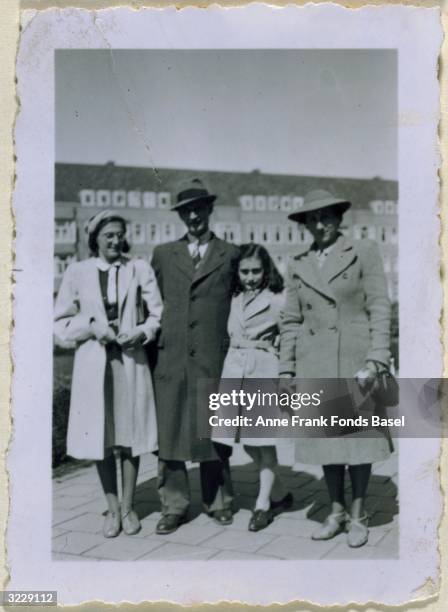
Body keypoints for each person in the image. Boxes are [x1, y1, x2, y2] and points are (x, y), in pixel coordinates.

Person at [279, 189, 393, 548]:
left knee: (357, 443)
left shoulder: (363, 252)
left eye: (326, 216)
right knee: (327, 445)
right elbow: (290, 321)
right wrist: (286, 370)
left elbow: (379, 306)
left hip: (356, 361)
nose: (320, 224)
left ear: (338, 218)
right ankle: (336, 511)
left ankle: (358, 515)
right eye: (312, 219)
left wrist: (377, 356)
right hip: (316, 361)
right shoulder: (298, 265)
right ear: (305, 225)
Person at [54, 211, 162, 538]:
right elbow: (59, 323)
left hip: (129, 360)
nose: (115, 241)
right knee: (101, 439)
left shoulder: (138, 268)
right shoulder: (77, 271)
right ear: (95, 239)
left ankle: (129, 508)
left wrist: (141, 331)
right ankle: (112, 509)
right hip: (94, 364)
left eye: (119, 234)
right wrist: (90, 327)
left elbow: (157, 314)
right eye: (108, 236)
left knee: (129, 437)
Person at [151, 178, 240, 535]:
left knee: (212, 429)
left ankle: (217, 501)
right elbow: (150, 303)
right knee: (170, 430)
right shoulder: (162, 255)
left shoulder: (230, 254)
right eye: (186, 211)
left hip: (212, 357)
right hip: (170, 357)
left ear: (209, 210)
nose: (193, 216)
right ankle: (173, 505)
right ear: (180, 216)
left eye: (199, 209)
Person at [213, 243, 293, 532]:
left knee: (262, 440)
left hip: (263, 369)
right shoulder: (234, 297)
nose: (250, 277)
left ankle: (262, 505)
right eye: (244, 271)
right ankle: (281, 493)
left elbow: (289, 336)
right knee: (246, 441)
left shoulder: (276, 299)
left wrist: (286, 374)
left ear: (266, 270)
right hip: (234, 369)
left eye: (256, 271)